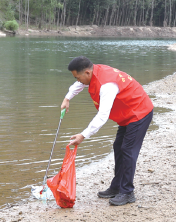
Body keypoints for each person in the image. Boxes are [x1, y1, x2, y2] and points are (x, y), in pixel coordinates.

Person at [61, 56, 154, 206]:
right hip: (127, 114)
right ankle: (117, 186)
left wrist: (83, 135)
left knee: (128, 150)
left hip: (139, 113)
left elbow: (103, 116)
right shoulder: (93, 72)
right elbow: (79, 84)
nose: (78, 81)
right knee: (118, 147)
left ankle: (127, 192)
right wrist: (67, 98)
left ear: (87, 72)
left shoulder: (107, 85)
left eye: (78, 77)